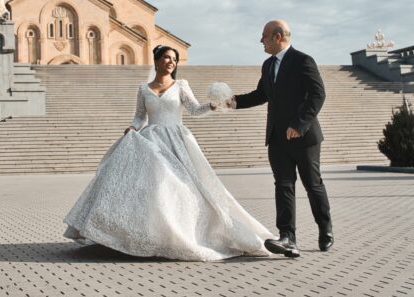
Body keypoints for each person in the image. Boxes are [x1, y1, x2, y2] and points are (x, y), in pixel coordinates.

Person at [63, 44, 277, 261]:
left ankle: (182, 234)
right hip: (151, 141)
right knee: (152, 187)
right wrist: (133, 127)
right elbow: (140, 116)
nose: (171, 62)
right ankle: (145, 235)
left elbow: (194, 110)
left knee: (178, 186)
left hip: (176, 140)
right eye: (166, 57)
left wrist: (212, 106)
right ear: (156, 61)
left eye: (174, 59)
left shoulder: (181, 85)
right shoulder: (143, 89)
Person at [228, 19, 333, 258]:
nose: (261, 41)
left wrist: (299, 124)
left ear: (278, 37)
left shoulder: (303, 60)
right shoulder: (268, 65)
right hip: (277, 137)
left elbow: (317, 94)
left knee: (312, 184)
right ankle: (287, 237)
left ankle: (325, 228)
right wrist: (233, 102)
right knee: (283, 185)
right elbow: (261, 94)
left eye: (264, 36)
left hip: (304, 137)